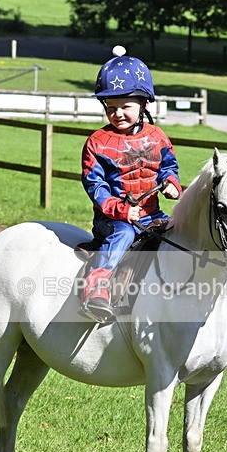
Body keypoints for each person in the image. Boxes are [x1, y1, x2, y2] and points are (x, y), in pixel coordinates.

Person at [80, 46, 181, 323]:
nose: (118, 114)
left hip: (152, 215)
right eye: (111, 108)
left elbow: (168, 166)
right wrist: (121, 211)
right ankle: (96, 288)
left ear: (144, 104)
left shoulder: (158, 136)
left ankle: (207, 298)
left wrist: (171, 182)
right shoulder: (97, 142)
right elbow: (95, 185)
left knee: (183, 236)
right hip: (112, 220)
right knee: (123, 234)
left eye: (125, 106)